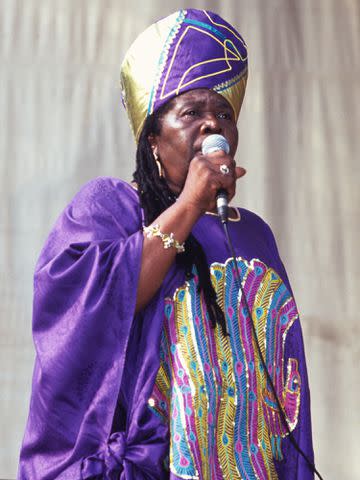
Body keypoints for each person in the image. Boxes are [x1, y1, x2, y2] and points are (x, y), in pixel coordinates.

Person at [18, 8, 315, 480]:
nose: (212, 126)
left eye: (223, 114)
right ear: (153, 137)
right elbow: (83, 318)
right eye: (192, 112)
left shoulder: (253, 233)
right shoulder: (109, 206)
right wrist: (190, 205)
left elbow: (282, 373)